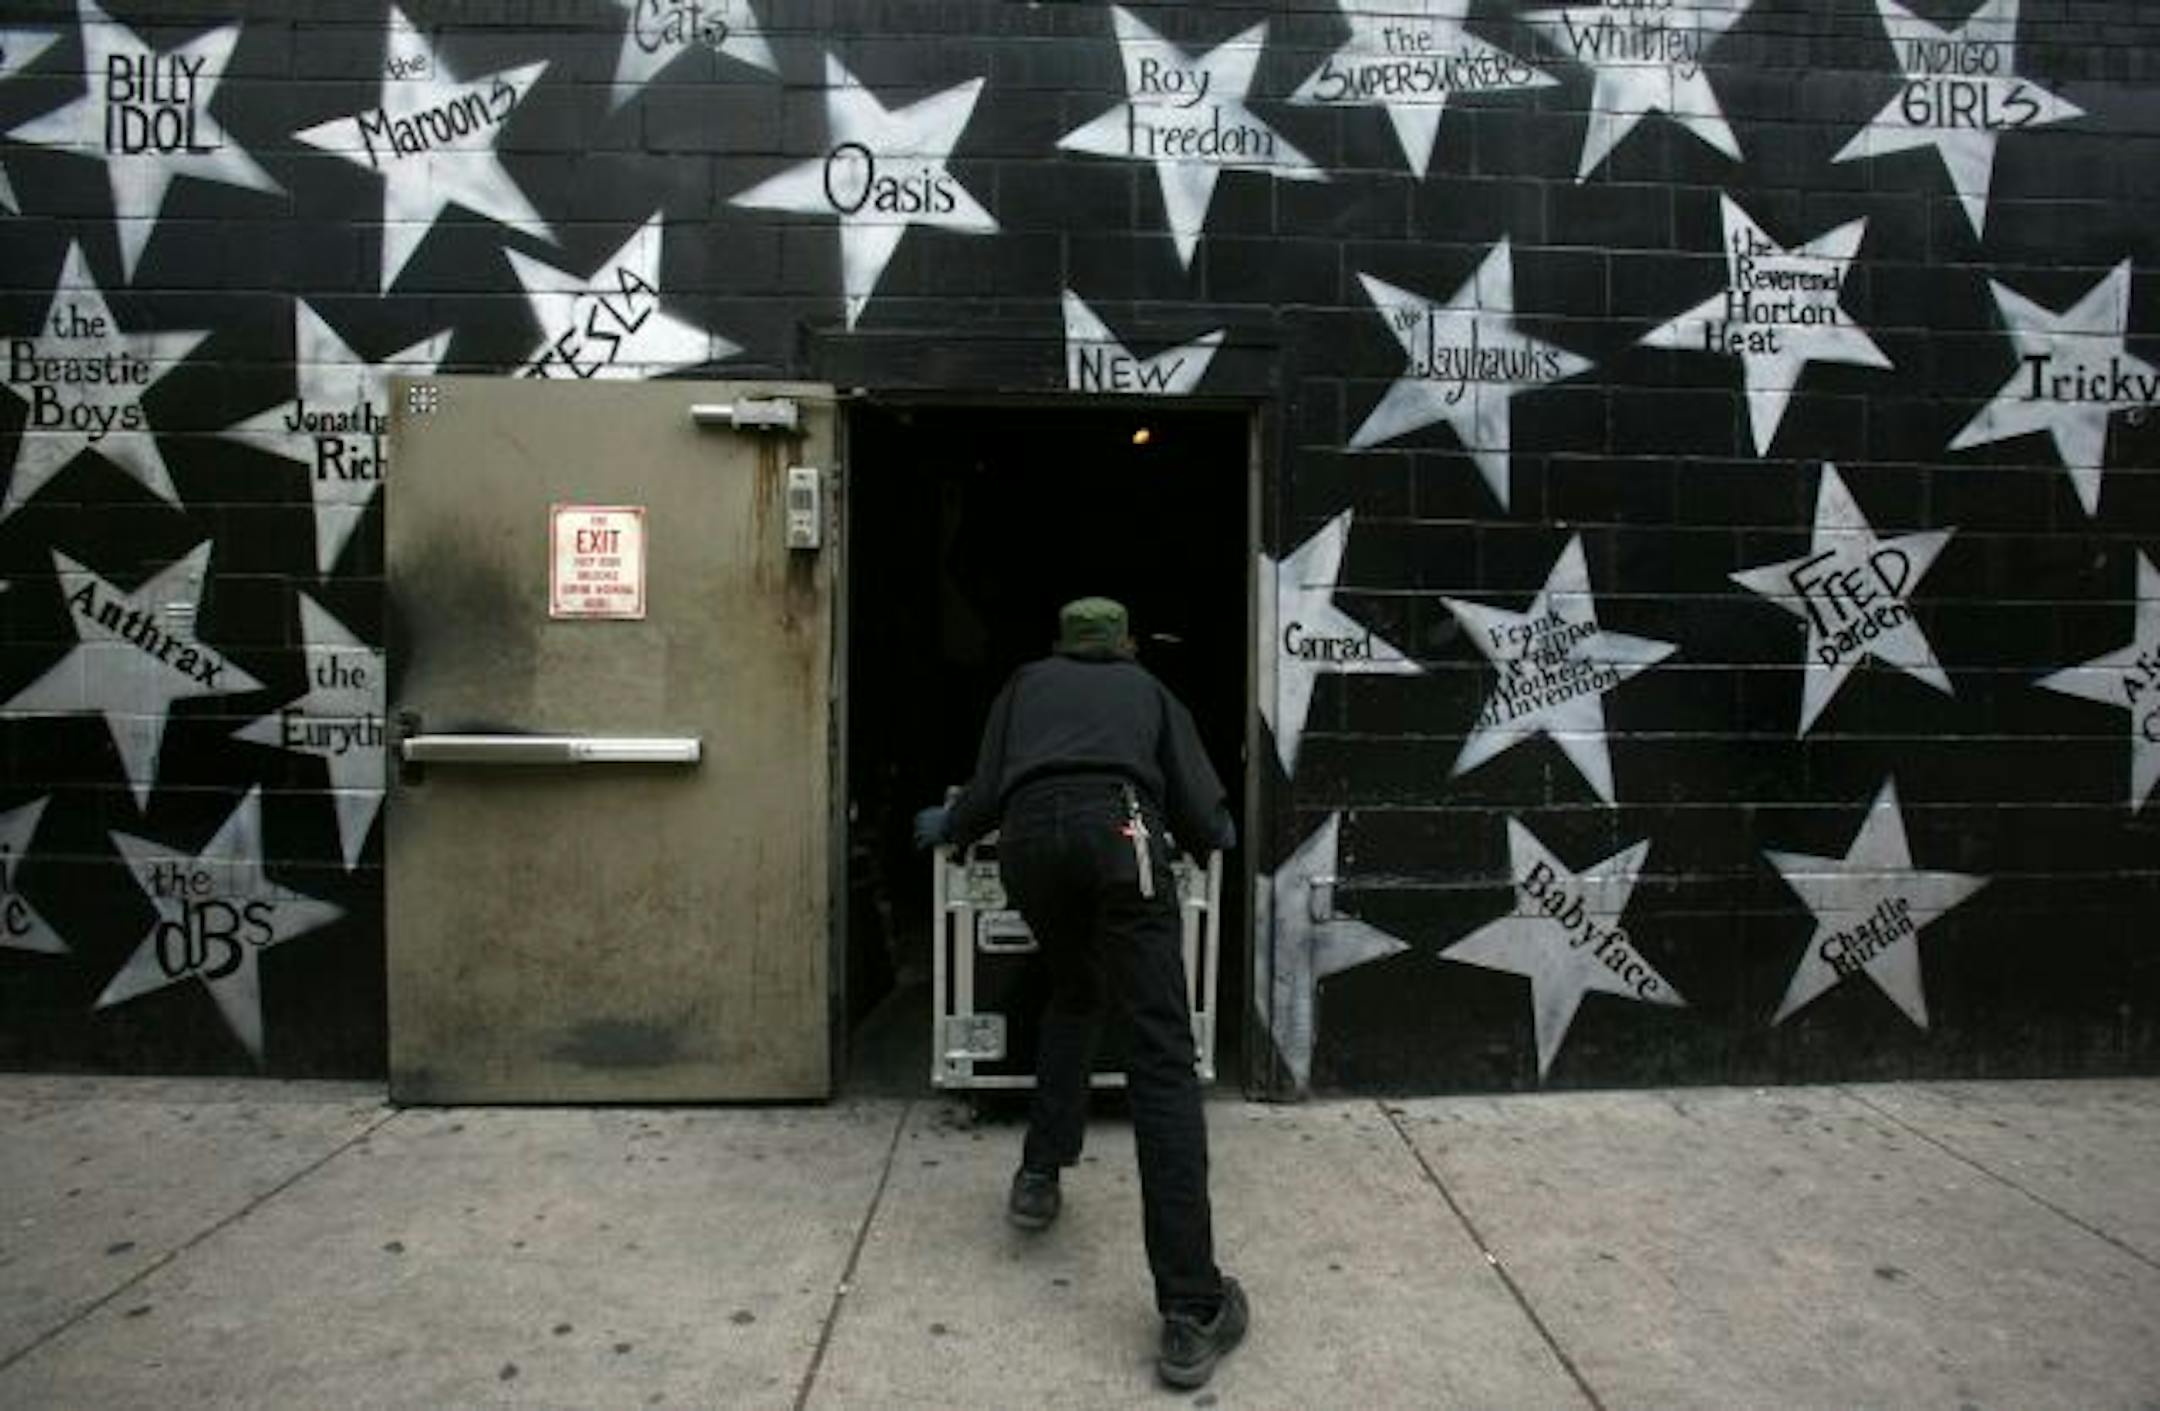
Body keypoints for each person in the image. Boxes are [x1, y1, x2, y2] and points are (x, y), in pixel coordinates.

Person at [914, 596, 1247, 1391]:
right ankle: (1192, 1309)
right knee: (1161, 1058)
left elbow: (988, 787)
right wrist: (1211, 833)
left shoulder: (1024, 684)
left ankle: (1039, 1173)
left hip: (1029, 843)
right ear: (1128, 643)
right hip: (1122, 833)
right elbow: (1205, 812)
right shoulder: (1148, 690)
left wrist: (950, 825)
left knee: (1074, 990)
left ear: (1060, 643)